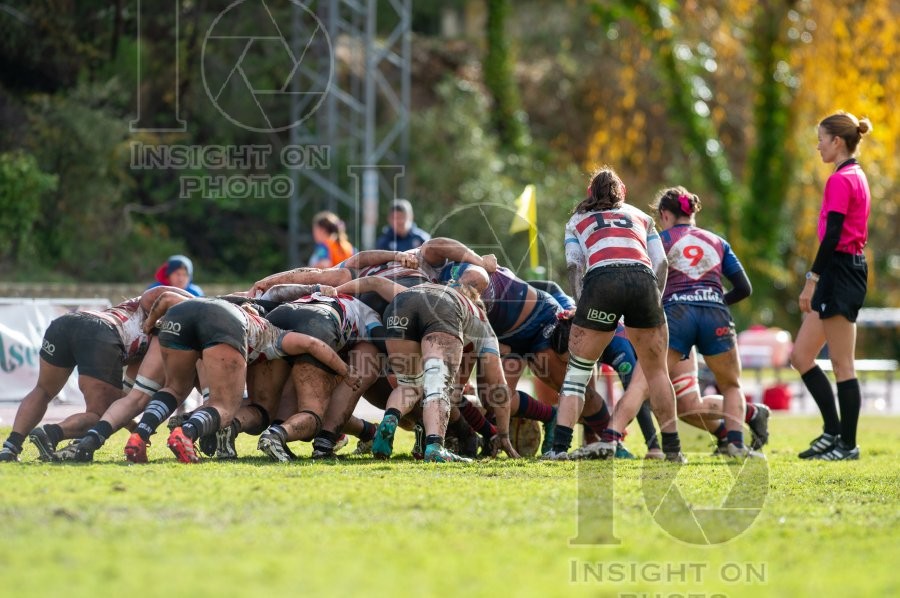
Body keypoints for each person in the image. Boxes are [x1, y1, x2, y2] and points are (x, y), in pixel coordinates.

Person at [550, 166, 684, 462]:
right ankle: (672, 449)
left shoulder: (577, 220)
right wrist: (655, 300)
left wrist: (582, 304)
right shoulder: (642, 216)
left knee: (577, 373)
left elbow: (574, 266)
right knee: (657, 372)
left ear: (590, 193)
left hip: (602, 282)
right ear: (622, 192)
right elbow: (660, 264)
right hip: (643, 282)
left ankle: (559, 448)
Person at [0, 286, 190, 462]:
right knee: (100, 415)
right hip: (100, 332)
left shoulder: (149, 345)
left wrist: (130, 422)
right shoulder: (152, 304)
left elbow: (125, 400)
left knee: (43, 390)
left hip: (66, 324)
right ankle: (51, 433)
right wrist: (207, 303)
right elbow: (166, 295)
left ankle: (10, 447)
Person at [652, 186, 762, 458]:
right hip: (714, 314)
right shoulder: (716, 241)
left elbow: (649, 283)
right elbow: (744, 288)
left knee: (651, 380)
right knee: (725, 387)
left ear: (665, 214)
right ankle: (736, 440)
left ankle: (617, 436)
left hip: (676, 317)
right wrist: (714, 300)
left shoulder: (660, 240)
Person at [790, 111, 872, 461]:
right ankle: (832, 431)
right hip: (842, 270)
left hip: (840, 271)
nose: (818, 145)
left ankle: (848, 445)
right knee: (801, 357)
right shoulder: (853, 175)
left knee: (842, 365)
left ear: (837, 141)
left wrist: (812, 280)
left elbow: (834, 235)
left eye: (822, 138)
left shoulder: (842, 179)